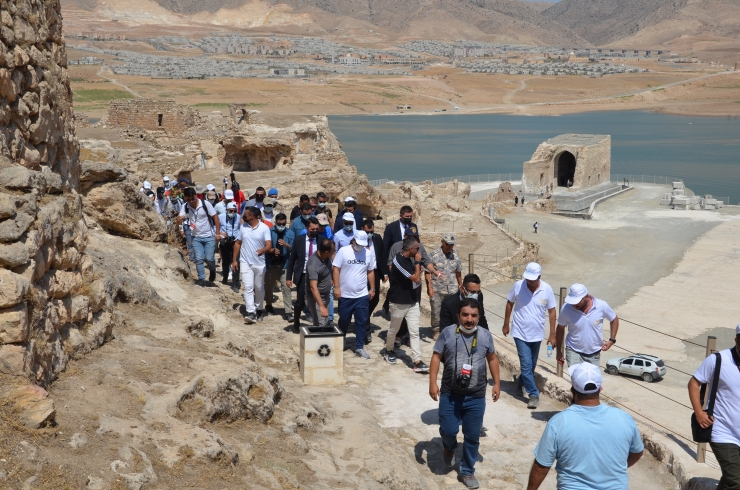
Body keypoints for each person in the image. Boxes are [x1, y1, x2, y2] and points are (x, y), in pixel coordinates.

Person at [526, 362, 644, 490]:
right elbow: (637, 452)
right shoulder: (624, 418)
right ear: (600, 389)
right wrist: (614, 468)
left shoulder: (559, 422)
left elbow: (541, 466)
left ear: (572, 391)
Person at [429, 298, 500, 490]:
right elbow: (436, 356)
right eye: (465, 315)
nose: (469, 319)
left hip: (475, 396)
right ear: (458, 315)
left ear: (478, 317)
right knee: (448, 430)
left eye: (474, 315)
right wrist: (432, 382)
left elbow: (492, 358)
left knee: (472, 436)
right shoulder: (448, 333)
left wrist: (497, 384)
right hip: (450, 394)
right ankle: (449, 446)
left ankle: (467, 470)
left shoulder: (485, 335)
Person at [689, 324, 740, 490]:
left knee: (731, 476)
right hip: (723, 431)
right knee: (736, 482)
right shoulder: (719, 360)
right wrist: (699, 413)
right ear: (736, 340)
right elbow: (694, 383)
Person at [502, 262, 557, 409]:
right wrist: (506, 323)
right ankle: (533, 394)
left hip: (537, 334)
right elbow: (509, 303)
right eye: (528, 278)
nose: (529, 281)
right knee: (526, 365)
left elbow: (552, 311)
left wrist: (552, 334)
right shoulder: (518, 285)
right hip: (520, 332)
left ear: (539, 276)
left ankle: (520, 383)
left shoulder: (547, 289)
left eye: (533, 279)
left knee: (531, 365)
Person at [384, 236, 429, 373]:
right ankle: (389, 350)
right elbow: (416, 278)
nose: (419, 251)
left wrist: (417, 267)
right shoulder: (398, 261)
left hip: (412, 301)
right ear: (411, 249)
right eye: (417, 248)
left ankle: (417, 360)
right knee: (394, 329)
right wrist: (417, 263)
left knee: (414, 331)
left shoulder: (409, 260)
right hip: (399, 302)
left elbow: (416, 279)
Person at [333, 230, 375, 359]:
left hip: (361, 294)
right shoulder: (343, 251)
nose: (360, 246)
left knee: (361, 321)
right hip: (345, 294)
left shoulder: (368, 253)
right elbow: (336, 268)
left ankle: (359, 347)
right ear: (353, 240)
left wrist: (372, 288)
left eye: (363, 244)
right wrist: (337, 287)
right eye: (358, 243)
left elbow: (370, 271)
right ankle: (340, 342)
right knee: (344, 320)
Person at [555, 284, 619, 367]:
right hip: (573, 350)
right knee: (577, 378)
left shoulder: (601, 306)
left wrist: (612, 340)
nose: (574, 305)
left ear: (586, 296)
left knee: (591, 380)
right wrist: (559, 352)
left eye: (577, 302)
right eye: (572, 302)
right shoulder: (566, 308)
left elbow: (614, 319)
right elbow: (560, 328)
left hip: (594, 352)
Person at [232, 206, 272, 324]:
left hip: (260, 264)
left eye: (246, 213)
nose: (244, 215)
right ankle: (251, 312)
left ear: (252, 216)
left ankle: (259, 309)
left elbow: (269, 244)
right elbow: (238, 243)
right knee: (248, 287)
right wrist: (234, 260)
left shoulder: (264, 228)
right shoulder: (243, 227)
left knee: (259, 287)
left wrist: (263, 250)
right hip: (245, 262)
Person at [178, 187, 220, 285]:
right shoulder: (185, 207)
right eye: (188, 200)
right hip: (195, 237)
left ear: (196, 196)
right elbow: (179, 221)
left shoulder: (205, 204)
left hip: (208, 236)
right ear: (185, 199)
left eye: (193, 198)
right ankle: (201, 279)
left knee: (209, 258)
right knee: (199, 258)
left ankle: (212, 270)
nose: (191, 201)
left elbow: (216, 218)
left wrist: (217, 233)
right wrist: (181, 228)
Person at [286, 217, 320, 332]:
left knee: (317, 299)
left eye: (316, 229)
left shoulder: (321, 240)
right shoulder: (299, 240)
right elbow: (292, 260)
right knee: (300, 301)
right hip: (302, 274)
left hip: (317, 275)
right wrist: (288, 277)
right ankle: (296, 322)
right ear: (307, 228)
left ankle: (318, 322)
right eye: (312, 229)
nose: (315, 231)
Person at [429, 233, 463, 340]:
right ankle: (436, 330)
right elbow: (427, 272)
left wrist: (460, 285)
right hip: (437, 289)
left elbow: (458, 272)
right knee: (436, 310)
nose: (450, 247)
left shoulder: (456, 255)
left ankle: (451, 329)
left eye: (452, 245)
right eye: (448, 244)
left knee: (453, 310)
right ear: (442, 242)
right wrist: (429, 287)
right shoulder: (434, 255)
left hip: (452, 289)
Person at [265, 213, 294, 319]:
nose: (281, 226)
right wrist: (272, 250)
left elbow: (294, 249)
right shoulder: (269, 232)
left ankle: (288, 312)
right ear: (275, 223)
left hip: (284, 264)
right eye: (279, 224)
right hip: (271, 264)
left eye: (283, 224)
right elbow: (264, 247)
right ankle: (268, 305)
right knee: (269, 287)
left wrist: (286, 245)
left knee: (286, 288)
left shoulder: (290, 233)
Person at [364, 219, 387, 335]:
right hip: (363, 273)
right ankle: (366, 326)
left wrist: (385, 273)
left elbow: (382, 256)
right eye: (368, 231)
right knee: (366, 299)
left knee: (375, 298)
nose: (370, 234)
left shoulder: (377, 238)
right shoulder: (357, 240)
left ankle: (364, 317)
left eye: (371, 231)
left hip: (375, 271)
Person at [307, 238, 335, 328]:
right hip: (317, 298)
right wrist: (321, 306)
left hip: (326, 296)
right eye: (333, 251)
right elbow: (313, 287)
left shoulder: (326, 257)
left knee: (325, 323)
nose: (334, 252)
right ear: (326, 252)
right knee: (320, 324)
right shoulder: (313, 264)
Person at [218, 202, 240, 286]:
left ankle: (235, 282)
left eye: (234, 211)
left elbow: (240, 229)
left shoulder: (238, 217)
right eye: (231, 211)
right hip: (225, 241)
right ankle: (225, 277)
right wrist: (221, 233)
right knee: (226, 261)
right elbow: (214, 228)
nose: (233, 213)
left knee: (236, 261)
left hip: (235, 241)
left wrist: (237, 238)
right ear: (226, 210)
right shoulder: (220, 217)